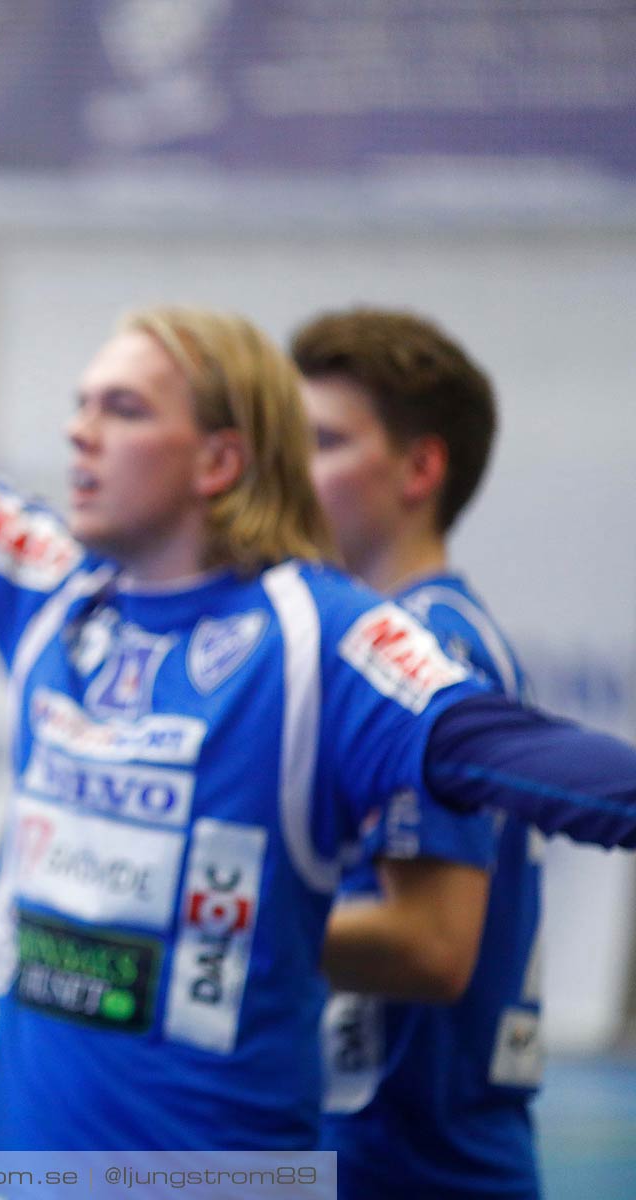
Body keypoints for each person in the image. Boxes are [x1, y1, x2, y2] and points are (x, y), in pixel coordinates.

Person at [0, 24, 636, 1159]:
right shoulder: (48, 589)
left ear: (221, 461)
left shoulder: (322, 639)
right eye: (82, 404)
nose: (80, 432)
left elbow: (524, 757)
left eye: (126, 411)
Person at [297, 309, 542, 1199]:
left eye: (323, 441)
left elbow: (434, 945)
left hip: (417, 1168)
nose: (292, 469)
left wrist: (210, 927)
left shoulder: (432, 652)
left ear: (421, 468)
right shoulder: (396, 640)